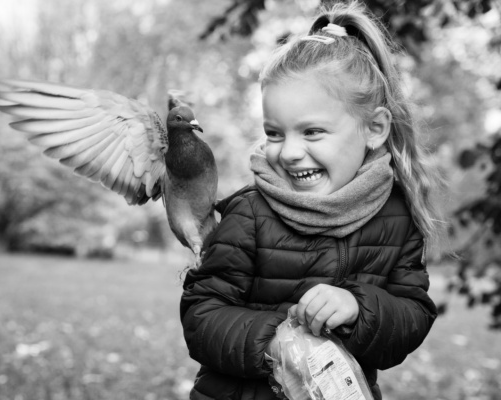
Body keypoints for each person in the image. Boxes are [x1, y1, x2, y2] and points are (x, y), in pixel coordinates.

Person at [180, 2, 443, 399]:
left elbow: (413, 315)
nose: (288, 152)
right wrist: (276, 342)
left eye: (313, 132)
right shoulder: (251, 212)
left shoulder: (395, 218)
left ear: (373, 128)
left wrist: (358, 308)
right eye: (274, 133)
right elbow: (202, 314)